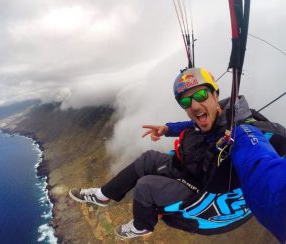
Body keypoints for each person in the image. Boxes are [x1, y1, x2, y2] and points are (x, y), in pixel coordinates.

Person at [69, 67, 286, 241]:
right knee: (148, 158)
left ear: (215, 94)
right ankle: (104, 195)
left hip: (200, 187)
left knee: (145, 186)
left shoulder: (244, 134)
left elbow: (264, 171)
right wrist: (168, 128)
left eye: (201, 94)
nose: (194, 105)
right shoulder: (220, 112)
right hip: (194, 168)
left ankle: (142, 226)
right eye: (185, 101)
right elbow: (196, 125)